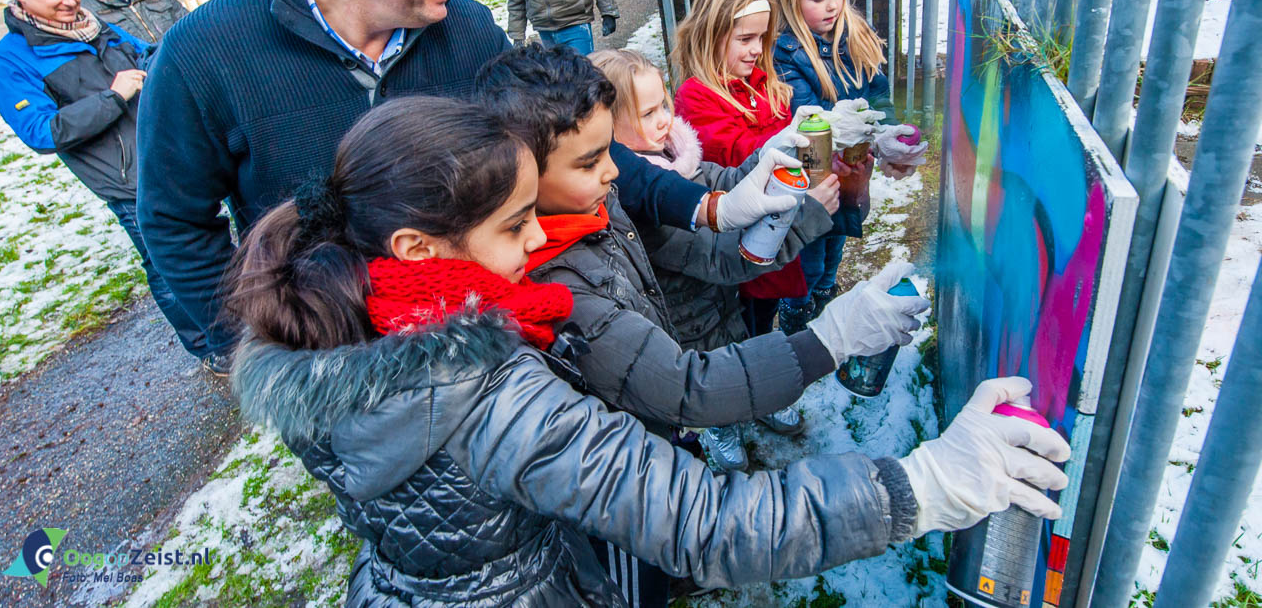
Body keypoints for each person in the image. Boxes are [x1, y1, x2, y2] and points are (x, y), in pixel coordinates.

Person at [229, 93, 1072, 608]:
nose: (536, 243)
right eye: (515, 225)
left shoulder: (336, 318)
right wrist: (917, 487)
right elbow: (707, 523)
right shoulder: (483, 389)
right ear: (418, 248)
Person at [137, 0, 787, 375]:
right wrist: (271, 349)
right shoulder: (203, 55)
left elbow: (566, 152)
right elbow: (175, 224)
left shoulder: (470, 34)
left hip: (490, 344)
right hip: (347, 374)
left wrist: (707, 207)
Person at [475, 44, 933, 606]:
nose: (615, 170)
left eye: (610, 152)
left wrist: (799, 150)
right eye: (592, 160)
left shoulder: (595, 198)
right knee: (635, 579)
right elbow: (688, 386)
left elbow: (716, 185)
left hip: (660, 411)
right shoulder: (561, 283)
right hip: (622, 470)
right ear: (518, 168)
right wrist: (830, 339)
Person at [592, 47, 841, 470]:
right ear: (609, 132)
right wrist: (806, 217)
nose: (665, 119)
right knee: (717, 384)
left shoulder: (674, 154)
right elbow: (725, 260)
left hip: (723, 307)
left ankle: (759, 402)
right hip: (688, 326)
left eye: (664, 104)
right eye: (649, 112)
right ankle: (721, 427)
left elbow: (720, 181)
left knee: (744, 352)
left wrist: (770, 154)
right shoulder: (639, 203)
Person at [0, 0, 207, 361]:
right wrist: (113, 97)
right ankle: (206, 346)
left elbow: (147, 54)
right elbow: (41, 131)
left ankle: (238, 326)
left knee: (208, 247)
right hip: (128, 181)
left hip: (176, 154)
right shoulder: (7, 61)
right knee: (167, 268)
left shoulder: (96, 27)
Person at [671, 0, 876, 338]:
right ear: (710, 35)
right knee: (748, 323)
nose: (755, 50)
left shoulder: (763, 85)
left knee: (767, 310)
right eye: (744, 39)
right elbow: (736, 154)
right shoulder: (696, 95)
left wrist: (833, 154)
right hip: (735, 242)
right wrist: (797, 138)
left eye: (761, 39)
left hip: (775, 233)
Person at [769, 0, 929, 333]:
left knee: (838, 237)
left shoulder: (854, 34)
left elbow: (877, 94)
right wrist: (847, 126)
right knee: (808, 246)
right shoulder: (784, 53)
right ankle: (797, 307)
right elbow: (804, 118)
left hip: (852, 168)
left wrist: (890, 133)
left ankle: (825, 291)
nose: (832, 5)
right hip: (812, 176)